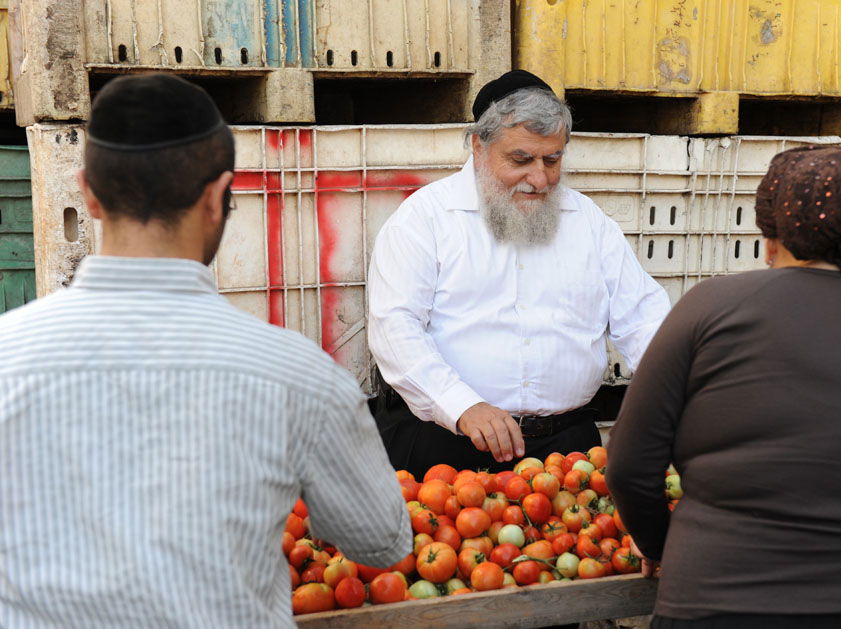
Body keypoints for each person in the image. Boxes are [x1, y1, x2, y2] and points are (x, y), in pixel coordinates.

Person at [0, 74, 411, 628]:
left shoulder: (8, 356)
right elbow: (381, 543)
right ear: (218, 196)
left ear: (89, 194)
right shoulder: (300, 377)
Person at [606, 146, 841, 629]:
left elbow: (629, 465)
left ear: (770, 242)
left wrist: (665, 548)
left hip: (719, 601)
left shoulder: (708, 309)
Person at [368, 70, 670, 478]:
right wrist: (461, 405)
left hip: (566, 451)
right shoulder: (425, 219)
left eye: (553, 159)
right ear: (478, 145)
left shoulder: (589, 223)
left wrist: (682, 395)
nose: (540, 179)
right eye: (521, 160)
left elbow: (643, 320)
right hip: (444, 446)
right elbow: (395, 329)